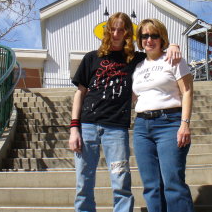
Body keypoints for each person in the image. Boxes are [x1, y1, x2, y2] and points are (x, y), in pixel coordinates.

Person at [69, 12, 181, 212]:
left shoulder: (135, 59)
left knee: (121, 182)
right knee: (83, 182)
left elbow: (156, 51)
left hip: (116, 129)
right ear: (106, 31)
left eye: (121, 29)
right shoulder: (91, 58)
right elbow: (80, 93)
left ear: (128, 32)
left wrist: (173, 45)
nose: (116, 33)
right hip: (87, 127)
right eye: (112, 29)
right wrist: (74, 128)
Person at [132, 18, 194, 212]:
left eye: (154, 35)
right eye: (145, 36)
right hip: (142, 126)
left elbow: (187, 92)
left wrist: (184, 124)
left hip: (169, 123)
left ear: (162, 37)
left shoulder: (173, 59)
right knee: (151, 186)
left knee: (173, 182)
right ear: (140, 39)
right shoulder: (137, 65)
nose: (149, 40)